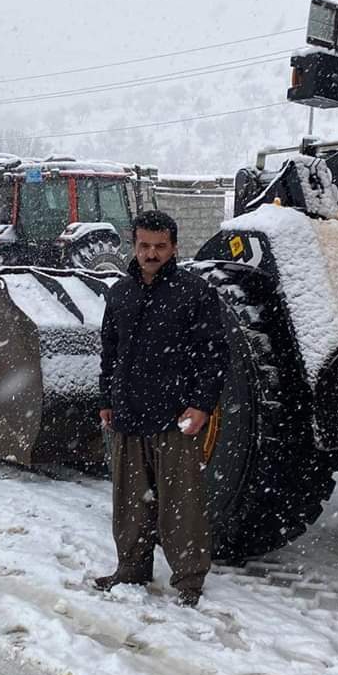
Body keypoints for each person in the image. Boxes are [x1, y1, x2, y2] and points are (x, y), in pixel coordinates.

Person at [95, 209, 229, 607]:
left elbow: (213, 355)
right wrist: (106, 399)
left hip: (175, 416)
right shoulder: (120, 293)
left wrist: (202, 405)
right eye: (144, 246)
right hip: (128, 413)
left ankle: (188, 580)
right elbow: (110, 352)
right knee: (130, 501)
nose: (151, 253)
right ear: (133, 246)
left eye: (160, 246)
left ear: (173, 248)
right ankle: (131, 570)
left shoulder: (194, 292)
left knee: (181, 503)